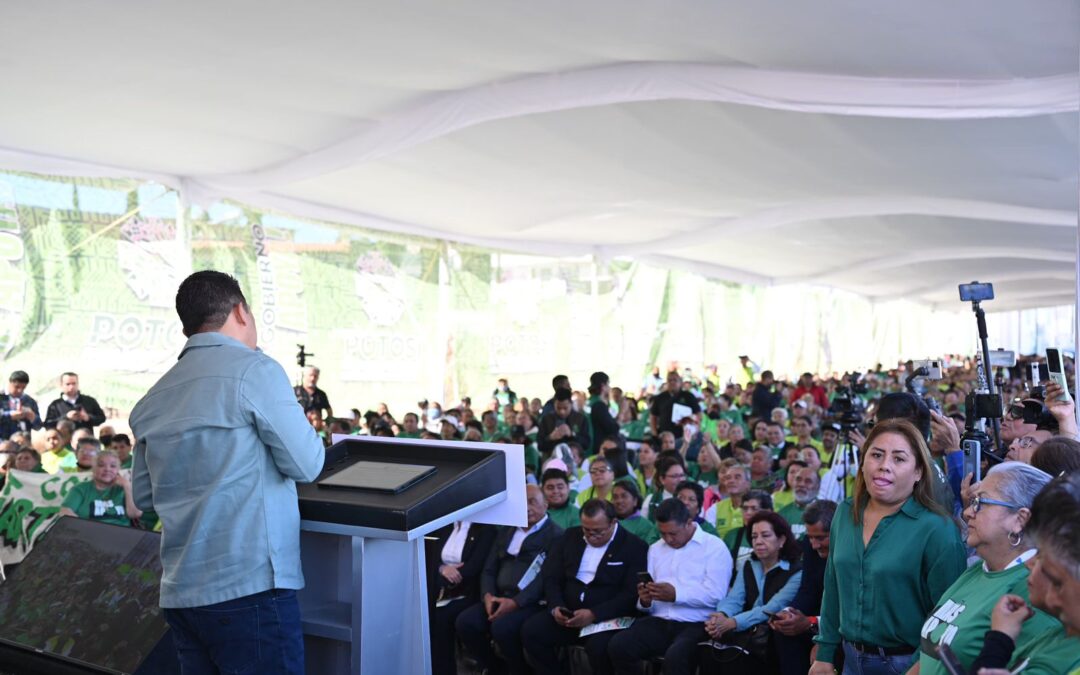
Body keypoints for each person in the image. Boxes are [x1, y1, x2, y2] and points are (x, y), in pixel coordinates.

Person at [129, 270, 325, 674]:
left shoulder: (152, 399)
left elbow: (146, 499)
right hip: (249, 587)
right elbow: (307, 463)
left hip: (182, 593)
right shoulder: (255, 370)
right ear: (240, 311)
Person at [810, 419, 967, 675]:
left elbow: (947, 613)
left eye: (899, 459)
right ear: (863, 462)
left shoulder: (937, 529)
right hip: (850, 660)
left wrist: (919, 665)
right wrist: (825, 652)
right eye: (877, 455)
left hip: (907, 664)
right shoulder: (845, 513)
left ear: (918, 472)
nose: (884, 466)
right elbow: (833, 587)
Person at [912, 462, 1056, 675]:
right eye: (972, 502)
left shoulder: (1031, 590)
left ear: (1020, 519)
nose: (968, 512)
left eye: (980, 502)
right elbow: (930, 654)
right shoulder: (980, 570)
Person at [967, 471, 1080, 674]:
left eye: (1056, 581)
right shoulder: (1059, 633)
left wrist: (998, 642)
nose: (1030, 563)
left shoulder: (1065, 655)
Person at [607, 498, 734, 675]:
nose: (668, 539)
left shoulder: (714, 547)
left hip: (697, 623)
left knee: (677, 656)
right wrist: (645, 600)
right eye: (662, 533)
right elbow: (648, 601)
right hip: (659, 620)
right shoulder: (656, 549)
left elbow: (716, 595)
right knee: (619, 645)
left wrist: (676, 594)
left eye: (673, 533)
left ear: (689, 522)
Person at [522, 499, 648, 675]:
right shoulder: (570, 536)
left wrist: (594, 614)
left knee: (599, 648)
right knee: (532, 631)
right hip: (569, 612)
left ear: (613, 523)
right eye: (586, 530)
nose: (591, 536)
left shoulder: (634, 546)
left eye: (598, 532)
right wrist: (556, 606)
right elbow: (551, 577)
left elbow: (629, 594)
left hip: (607, 618)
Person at [455, 485, 563, 675]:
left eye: (532, 502)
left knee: (502, 628)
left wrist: (515, 602)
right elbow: (489, 569)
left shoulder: (556, 535)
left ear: (545, 505)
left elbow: (546, 577)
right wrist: (487, 596)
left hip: (530, 602)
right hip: (498, 597)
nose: (527, 508)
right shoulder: (507, 531)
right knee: (466, 622)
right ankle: (496, 668)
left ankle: (520, 670)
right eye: (523, 503)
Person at [697, 511, 804, 675]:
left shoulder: (796, 571)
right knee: (706, 648)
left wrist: (732, 622)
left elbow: (771, 608)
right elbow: (735, 598)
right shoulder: (749, 563)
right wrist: (721, 615)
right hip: (746, 633)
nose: (758, 541)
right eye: (754, 537)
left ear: (782, 540)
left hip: (773, 637)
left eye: (766, 535)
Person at [769, 500, 837, 675]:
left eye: (821, 538)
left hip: (839, 625)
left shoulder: (852, 554)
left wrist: (821, 639)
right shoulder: (810, 547)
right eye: (810, 537)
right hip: (819, 619)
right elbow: (807, 589)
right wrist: (788, 613)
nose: (814, 545)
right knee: (784, 631)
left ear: (838, 531)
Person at [59, 450, 140, 527]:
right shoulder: (80, 489)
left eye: (113, 466)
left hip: (122, 535)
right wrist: (84, 528)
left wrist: (127, 486)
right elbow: (65, 512)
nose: (107, 469)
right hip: (88, 534)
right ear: (93, 469)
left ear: (118, 470)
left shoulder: (124, 489)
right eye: (101, 465)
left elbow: (135, 514)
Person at [722, 490, 773, 574]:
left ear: (768, 511)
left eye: (754, 509)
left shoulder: (776, 535)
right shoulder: (732, 536)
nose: (748, 513)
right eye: (745, 508)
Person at [538, 388, 591, 458]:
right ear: (554, 404)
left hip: (575, 460)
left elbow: (586, 444)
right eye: (558, 408)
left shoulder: (581, 419)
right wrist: (551, 437)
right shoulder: (546, 419)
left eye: (565, 408)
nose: (562, 411)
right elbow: (540, 446)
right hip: (552, 460)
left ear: (571, 404)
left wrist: (572, 434)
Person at [704, 462, 751, 537]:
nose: (731, 481)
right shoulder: (715, 509)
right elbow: (708, 536)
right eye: (728, 478)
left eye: (737, 477)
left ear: (748, 484)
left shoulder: (756, 508)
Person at [649, 371, 701, 437]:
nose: (672, 382)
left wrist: (695, 430)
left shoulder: (688, 396)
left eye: (675, 380)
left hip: (684, 435)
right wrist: (655, 433)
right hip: (665, 437)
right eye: (669, 380)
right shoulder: (659, 398)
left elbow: (698, 414)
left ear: (680, 382)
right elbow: (653, 416)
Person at [778, 465, 820, 538]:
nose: (801, 484)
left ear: (817, 486)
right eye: (798, 480)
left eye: (808, 481)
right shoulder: (782, 514)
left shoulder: (826, 513)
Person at [611, 480, 659, 544]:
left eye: (624, 496)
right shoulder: (608, 522)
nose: (619, 501)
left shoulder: (645, 526)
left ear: (635, 501)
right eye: (615, 497)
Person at [643, 455, 688, 521]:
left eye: (682, 475)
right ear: (662, 479)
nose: (680, 480)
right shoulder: (651, 500)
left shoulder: (690, 500)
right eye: (675, 476)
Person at [0, 370, 42, 440]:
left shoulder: (29, 401)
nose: (20, 391)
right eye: (17, 387)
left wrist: (32, 416)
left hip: (24, 444)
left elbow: (38, 427)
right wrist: (10, 416)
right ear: (10, 383)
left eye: (23, 388)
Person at [588, 372, 620, 455]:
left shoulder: (588, 402)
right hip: (595, 449)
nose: (610, 388)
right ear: (603, 386)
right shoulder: (599, 405)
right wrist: (622, 414)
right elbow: (612, 429)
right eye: (608, 384)